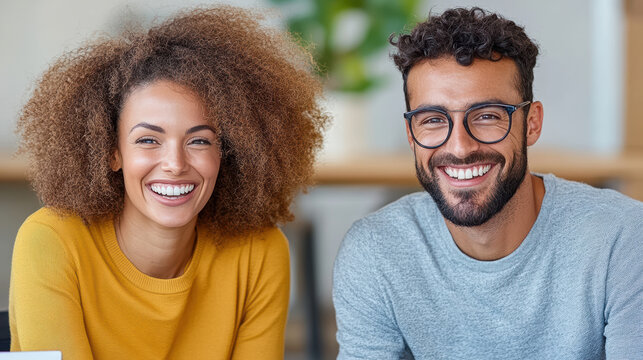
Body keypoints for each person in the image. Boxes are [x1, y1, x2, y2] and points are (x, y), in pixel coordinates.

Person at [10, 6, 328, 359]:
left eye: (199, 141)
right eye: (148, 140)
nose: (175, 164)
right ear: (112, 152)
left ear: (229, 153)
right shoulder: (52, 242)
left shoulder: (259, 251)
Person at [333, 7, 642, 359]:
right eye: (433, 120)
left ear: (532, 124)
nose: (460, 147)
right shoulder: (376, 252)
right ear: (411, 134)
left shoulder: (623, 239)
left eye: (487, 116)